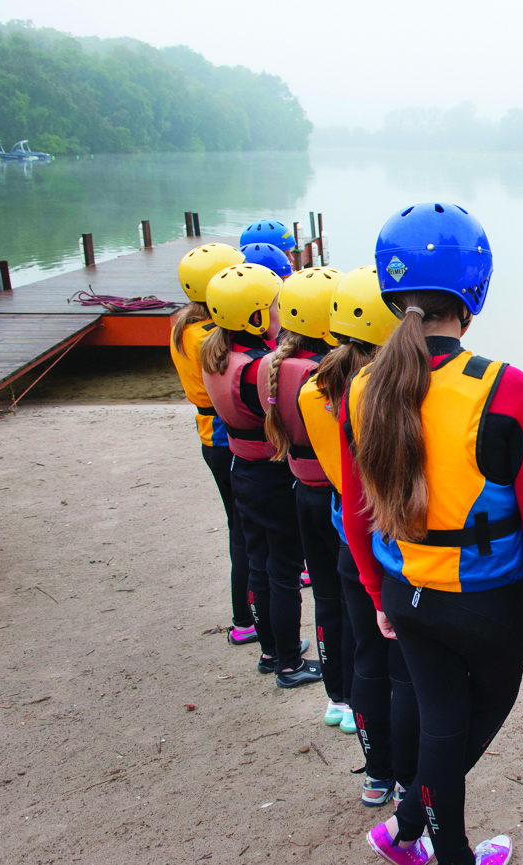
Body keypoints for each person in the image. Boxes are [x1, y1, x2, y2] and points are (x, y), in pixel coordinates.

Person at [342, 203, 523, 865]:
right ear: (473, 297)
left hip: (405, 592)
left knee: (445, 722)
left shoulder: (361, 388)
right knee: (476, 714)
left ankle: (418, 838)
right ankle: (419, 834)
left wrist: (376, 592)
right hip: (486, 603)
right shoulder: (502, 387)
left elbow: (356, 511)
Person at [299, 264, 416, 808]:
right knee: (403, 671)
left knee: (366, 660)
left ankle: (376, 775)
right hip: (389, 543)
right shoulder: (387, 395)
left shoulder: (315, 388)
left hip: (347, 533)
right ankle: (408, 777)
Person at [200, 263, 320, 688]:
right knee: (284, 573)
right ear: (254, 317)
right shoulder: (259, 369)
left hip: (243, 470)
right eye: (274, 306)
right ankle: (289, 664)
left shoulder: (216, 354)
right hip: (273, 476)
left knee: (259, 564)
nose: (279, 312)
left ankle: (271, 651)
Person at [259, 267, 358, 719]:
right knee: (352, 601)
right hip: (334, 499)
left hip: (302, 491)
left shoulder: (274, 367)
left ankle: (335, 697)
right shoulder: (326, 379)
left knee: (325, 598)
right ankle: (353, 696)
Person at [169, 242, 255, 645]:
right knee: (244, 533)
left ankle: (247, 615)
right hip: (226, 437)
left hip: (211, 434)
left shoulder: (184, 326)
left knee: (240, 527)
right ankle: (245, 620)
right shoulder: (211, 338)